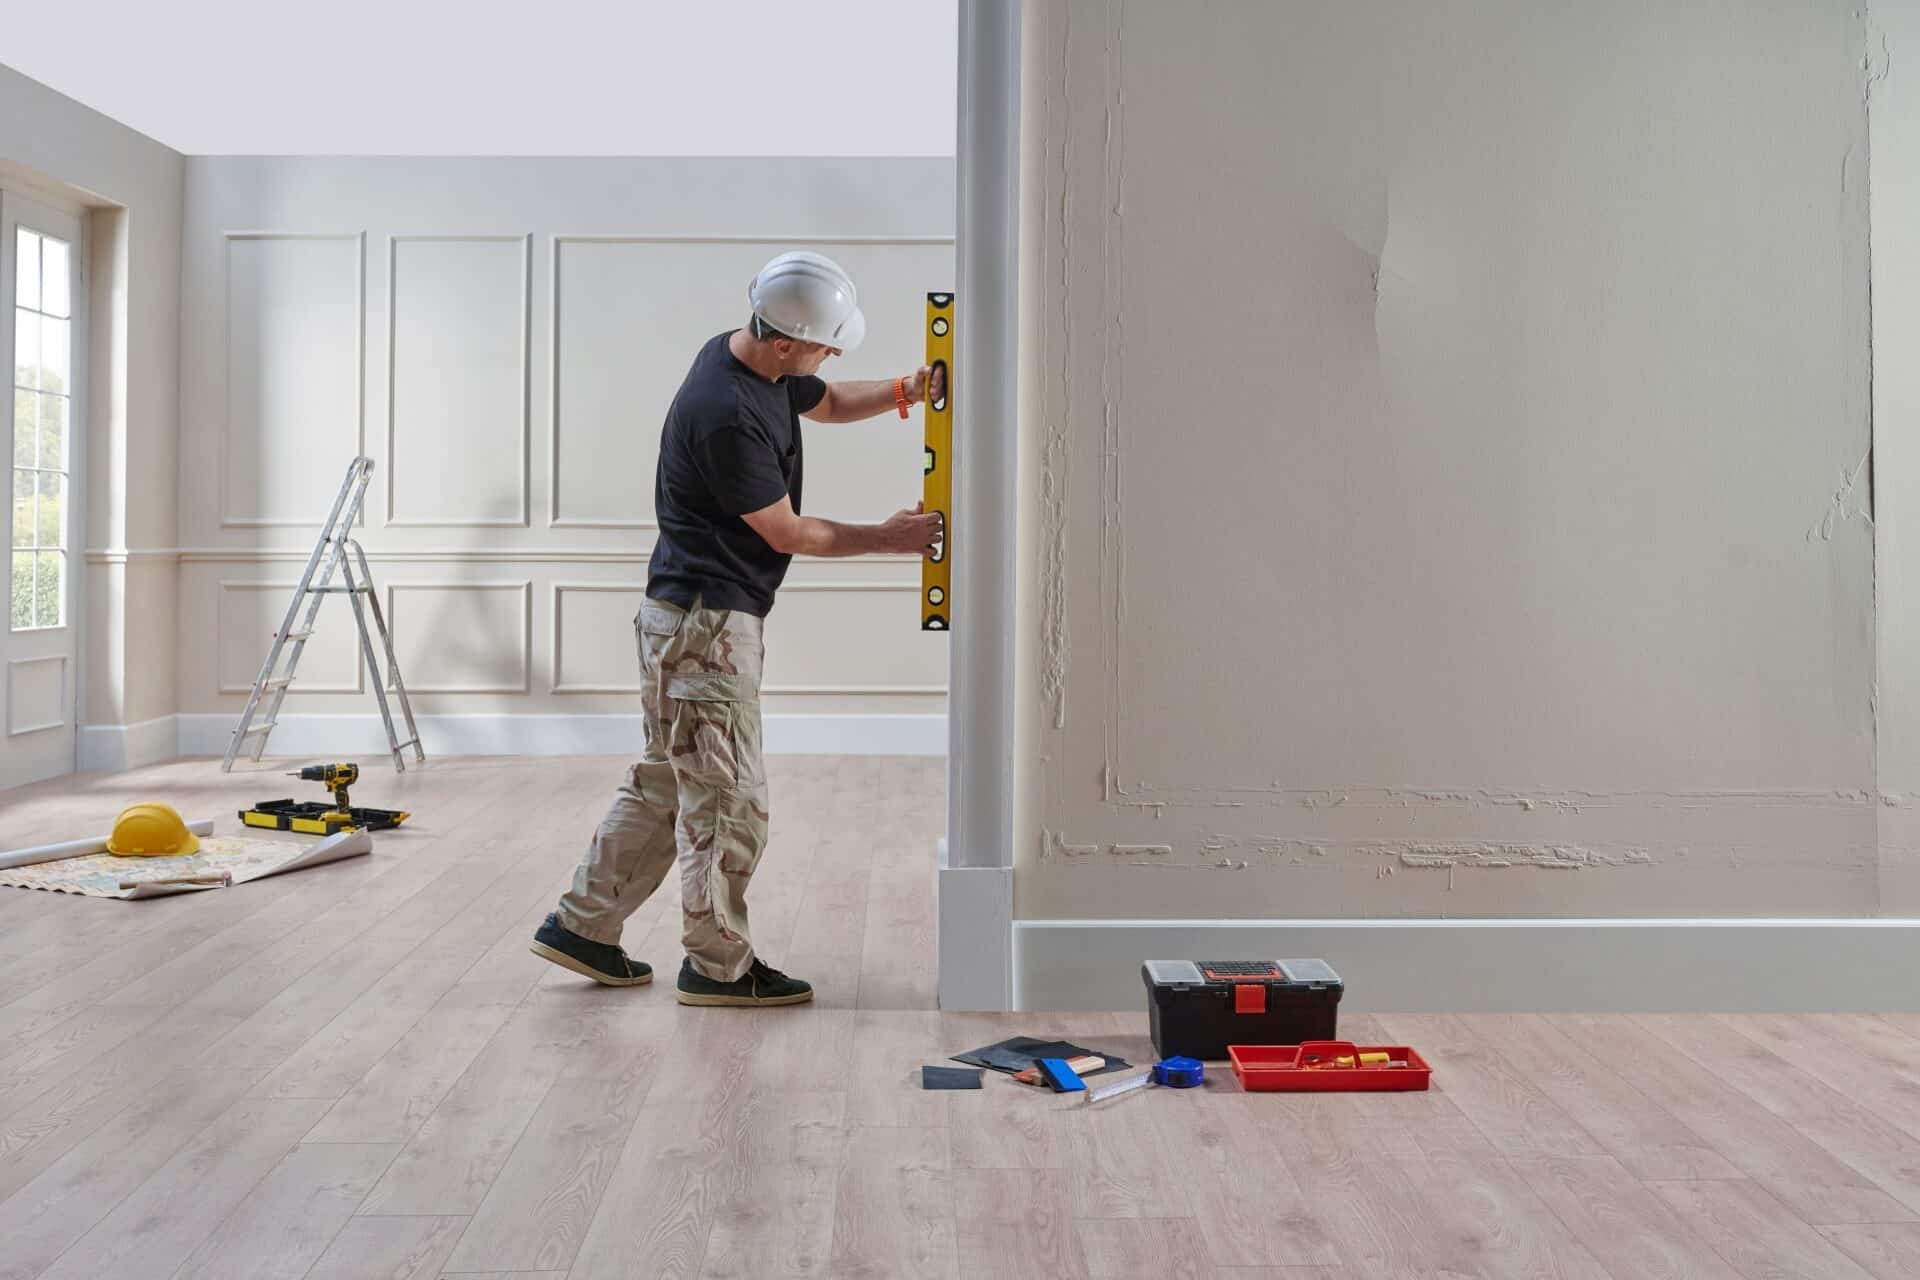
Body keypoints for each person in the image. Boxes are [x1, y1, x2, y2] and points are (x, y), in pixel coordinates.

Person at [530, 251, 944, 1006]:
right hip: (706, 627)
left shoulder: (750, 356)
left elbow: (824, 401)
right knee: (728, 800)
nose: (829, 358)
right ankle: (717, 968)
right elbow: (786, 532)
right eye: (825, 345)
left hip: (679, 619)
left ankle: (583, 924)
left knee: (667, 778)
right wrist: (890, 539)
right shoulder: (723, 414)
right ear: (785, 340)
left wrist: (903, 390)